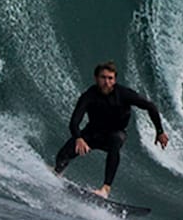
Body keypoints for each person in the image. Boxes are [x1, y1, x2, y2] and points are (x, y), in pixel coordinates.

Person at [54, 61, 169, 197]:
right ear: (96, 78)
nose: (106, 82)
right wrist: (79, 138)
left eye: (110, 78)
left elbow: (150, 106)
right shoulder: (89, 96)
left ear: (114, 80)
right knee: (63, 155)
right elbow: (74, 121)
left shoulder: (124, 94)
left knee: (116, 140)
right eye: (103, 77)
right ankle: (57, 174)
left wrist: (160, 131)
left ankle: (105, 189)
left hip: (114, 134)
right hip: (92, 133)